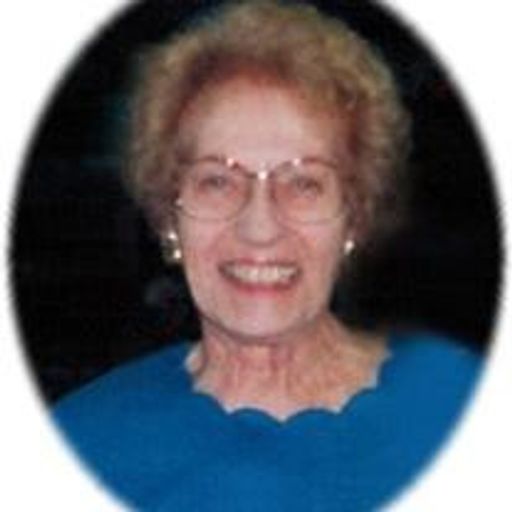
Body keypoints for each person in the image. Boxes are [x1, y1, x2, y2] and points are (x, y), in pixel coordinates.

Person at [54, 1, 482, 510]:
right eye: (218, 182)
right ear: (169, 217)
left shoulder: (464, 406)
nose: (260, 228)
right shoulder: (79, 443)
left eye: (303, 184)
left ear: (354, 217)